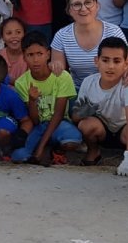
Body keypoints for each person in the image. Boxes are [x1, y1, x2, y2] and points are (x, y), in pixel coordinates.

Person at [11, 32, 82, 165]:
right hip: (39, 126)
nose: (36, 60)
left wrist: (40, 148)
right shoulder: (22, 83)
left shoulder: (62, 76)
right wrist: (32, 101)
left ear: (48, 54)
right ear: (24, 57)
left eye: (40, 54)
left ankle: (56, 151)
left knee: (73, 141)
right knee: (18, 157)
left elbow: (59, 114)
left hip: (59, 123)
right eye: (30, 55)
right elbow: (36, 121)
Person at [71, 37, 128, 175]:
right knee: (86, 125)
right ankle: (93, 152)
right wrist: (86, 110)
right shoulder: (89, 82)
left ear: (126, 63)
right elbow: (75, 117)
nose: (111, 66)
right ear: (97, 61)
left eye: (117, 61)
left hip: (124, 130)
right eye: (105, 60)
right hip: (102, 130)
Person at [51, 0, 127, 90]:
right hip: (78, 91)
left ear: (97, 6)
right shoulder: (61, 35)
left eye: (88, 2)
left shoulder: (114, 32)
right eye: (77, 4)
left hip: (110, 89)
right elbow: (58, 73)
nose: (83, 8)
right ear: (69, 10)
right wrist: (56, 66)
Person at [0, 17, 28, 83]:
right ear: (2, 37)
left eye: (18, 32)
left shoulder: (30, 56)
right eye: (9, 33)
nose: (14, 36)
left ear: (24, 34)